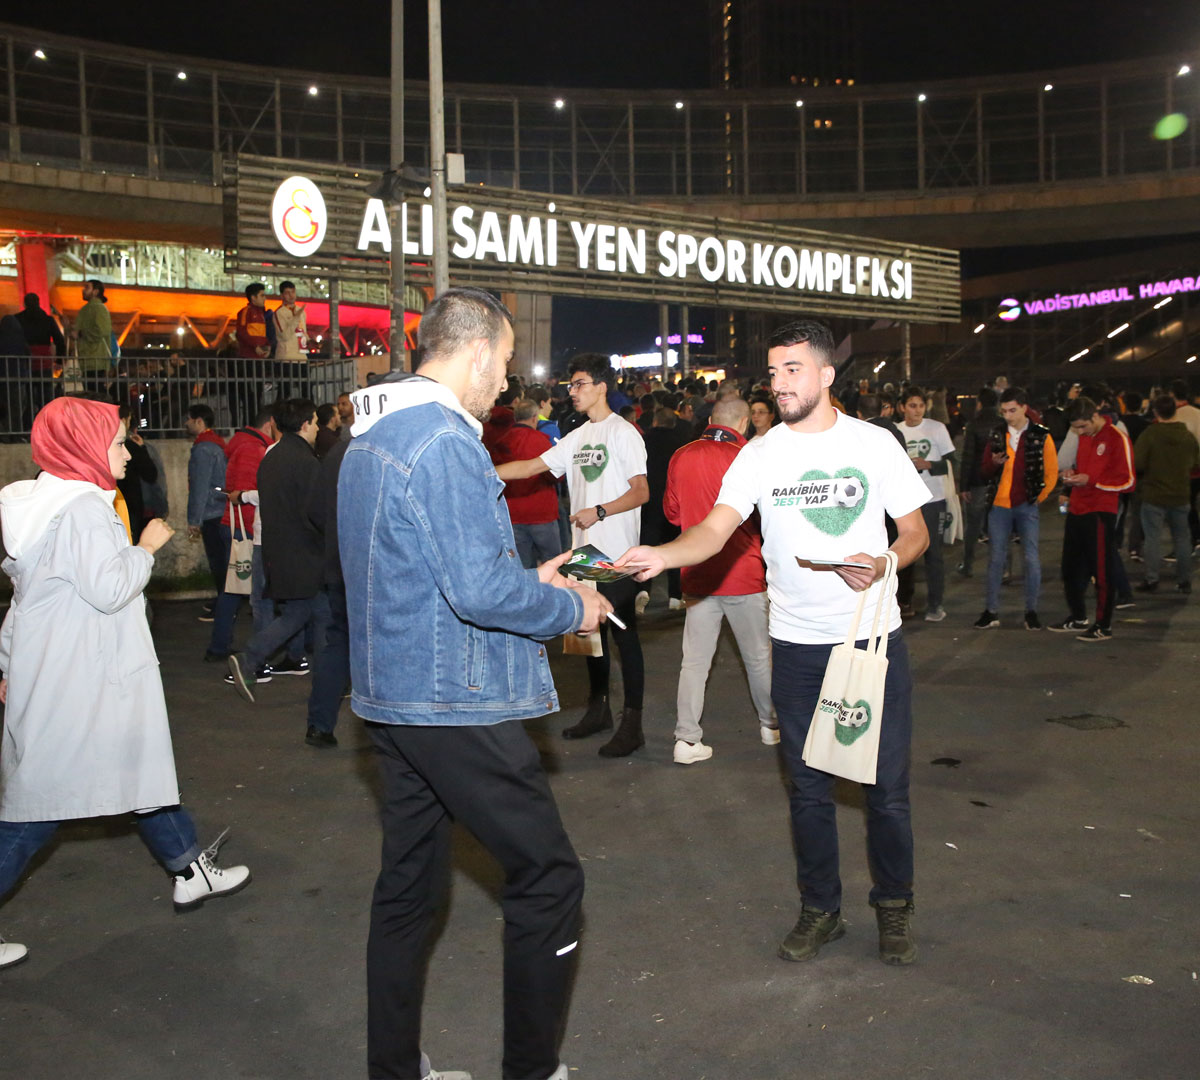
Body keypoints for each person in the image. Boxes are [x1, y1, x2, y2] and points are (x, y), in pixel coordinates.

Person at [338, 287, 610, 1080]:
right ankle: (532, 1069)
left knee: (408, 893)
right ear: (479, 351)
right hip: (451, 701)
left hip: (391, 696)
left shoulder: (371, 435)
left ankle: (394, 1069)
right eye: (506, 362)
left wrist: (531, 577)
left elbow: (426, 573)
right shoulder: (445, 440)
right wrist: (570, 603)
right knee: (549, 880)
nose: (507, 382)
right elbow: (479, 595)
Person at [616, 318, 930, 967]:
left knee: (885, 790)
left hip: (869, 640)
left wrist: (884, 562)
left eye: (793, 370)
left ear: (825, 374)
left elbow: (915, 532)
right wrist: (661, 554)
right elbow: (714, 530)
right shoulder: (759, 455)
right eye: (774, 371)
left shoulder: (874, 443)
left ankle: (894, 906)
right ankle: (821, 909)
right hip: (795, 646)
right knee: (808, 790)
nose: (780, 382)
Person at [0, 397, 250, 970]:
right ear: (83, 446)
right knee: (39, 808)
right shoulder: (84, 510)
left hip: (69, 673)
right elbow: (110, 589)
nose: (128, 454)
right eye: (117, 443)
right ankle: (191, 870)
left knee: (137, 772)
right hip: (82, 681)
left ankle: (190, 870)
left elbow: (27, 602)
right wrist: (146, 548)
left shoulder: (45, 505)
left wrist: (10, 664)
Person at [497, 353, 650, 758]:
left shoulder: (624, 433)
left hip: (618, 555)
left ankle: (632, 724)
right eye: (571, 385)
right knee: (588, 636)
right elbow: (530, 467)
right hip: (585, 554)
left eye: (580, 384)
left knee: (624, 637)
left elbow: (641, 492)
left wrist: (599, 511)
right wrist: (483, 472)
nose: (573, 392)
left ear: (602, 386)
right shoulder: (578, 436)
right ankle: (599, 710)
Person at [664, 395, 778, 763]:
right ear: (744, 422)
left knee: (694, 662)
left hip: (697, 572)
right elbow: (768, 516)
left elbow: (672, 513)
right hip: (743, 572)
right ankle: (770, 724)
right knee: (758, 658)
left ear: (712, 419)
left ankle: (686, 739)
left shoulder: (682, 455)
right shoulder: (749, 456)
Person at [227, 399, 326, 702]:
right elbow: (317, 512)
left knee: (303, 614)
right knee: (320, 616)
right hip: (307, 554)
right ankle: (330, 683)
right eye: (315, 422)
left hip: (278, 550)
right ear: (305, 424)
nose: (318, 428)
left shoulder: (272, 456)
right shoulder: (306, 461)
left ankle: (254, 658)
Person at [1050, 397, 1135, 641]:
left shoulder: (1117, 438)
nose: (1079, 432)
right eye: (1075, 428)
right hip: (1077, 508)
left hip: (1100, 512)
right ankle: (1078, 617)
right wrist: (1072, 476)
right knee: (1069, 569)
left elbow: (1128, 481)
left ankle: (1103, 625)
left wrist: (1092, 481)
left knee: (1102, 570)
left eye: (1082, 427)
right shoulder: (1085, 437)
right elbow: (1086, 471)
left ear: (1095, 416)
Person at [974, 388, 1057, 630]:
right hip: (1000, 504)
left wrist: (1038, 497)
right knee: (996, 559)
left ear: (1024, 408)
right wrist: (993, 464)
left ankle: (1031, 610)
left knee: (1030, 558)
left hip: (1025, 504)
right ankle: (991, 610)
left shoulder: (1041, 435)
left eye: (1012, 410)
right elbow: (984, 469)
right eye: (1004, 411)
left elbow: (1051, 472)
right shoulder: (997, 434)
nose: (1008, 416)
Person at [206, 407, 276, 662]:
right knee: (237, 589)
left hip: (236, 527)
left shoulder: (244, 444)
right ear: (269, 424)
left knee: (234, 588)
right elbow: (247, 493)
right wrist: (252, 533)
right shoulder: (253, 450)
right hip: (243, 529)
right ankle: (220, 647)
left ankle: (220, 645)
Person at [894, 387, 954, 621]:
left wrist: (929, 465)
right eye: (912, 405)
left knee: (933, 554)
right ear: (902, 408)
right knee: (904, 553)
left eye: (920, 405)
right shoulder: (896, 431)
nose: (917, 410)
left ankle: (935, 604)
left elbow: (952, 462)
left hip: (933, 499)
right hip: (904, 502)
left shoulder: (937, 428)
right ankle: (903, 602)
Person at [1134, 395, 1199, 595]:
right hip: (1180, 493)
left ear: (1155, 412)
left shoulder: (1150, 434)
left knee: (1152, 538)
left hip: (1154, 494)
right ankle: (1184, 580)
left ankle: (1152, 579)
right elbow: (1196, 462)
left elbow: (1138, 463)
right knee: (1182, 538)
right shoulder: (1187, 436)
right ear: (1175, 410)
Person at [487, 399, 561, 569]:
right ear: (535, 418)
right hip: (542, 512)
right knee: (553, 563)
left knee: (523, 567)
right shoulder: (541, 440)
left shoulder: (501, 442)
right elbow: (555, 475)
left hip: (513, 514)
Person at [636, 406, 690, 614]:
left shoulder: (643, 441)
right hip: (673, 504)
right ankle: (675, 596)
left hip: (648, 503)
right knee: (674, 549)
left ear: (655, 422)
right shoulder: (682, 443)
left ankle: (642, 590)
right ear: (673, 424)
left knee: (645, 548)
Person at [185, 404, 228, 615]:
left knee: (218, 562)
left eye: (189, 419)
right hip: (221, 508)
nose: (186, 423)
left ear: (199, 421)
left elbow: (200, 486)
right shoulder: (217, 444)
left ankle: (225, 606)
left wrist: (194, 519)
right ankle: (225, 601)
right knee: (223, 561)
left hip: (211, 512)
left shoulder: (203, 449)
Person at [957, 388, 999, 578]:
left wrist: (964, 486)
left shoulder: (974, 425)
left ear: (980, 403)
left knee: (973, 526)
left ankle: (967, 564)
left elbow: (968, 457)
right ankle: (1004, 569)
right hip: (998, 481)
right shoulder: (1003, 423)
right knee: (1001, 525)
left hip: (977, 480)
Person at [73, 280, 112, 389]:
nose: (83, 290)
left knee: (93, 392)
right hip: (93, 360)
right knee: (94, 392)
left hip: (94, 359)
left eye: (87, 287)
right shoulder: (95, 308)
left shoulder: (97, 308)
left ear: (95, 291)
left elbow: (101, 331)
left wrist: (80, 333)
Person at [272, 280, 309, 398]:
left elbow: (304, 332)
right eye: (287, 293)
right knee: (284, 391)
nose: (291, 295)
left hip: (301, 357)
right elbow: (284, 335)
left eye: (293, 292)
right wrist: (295, 318)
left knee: (306, 390)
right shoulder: (279, 313)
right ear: (282, 295)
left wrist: (310, 342)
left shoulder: (301, 312)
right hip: (286, 357)